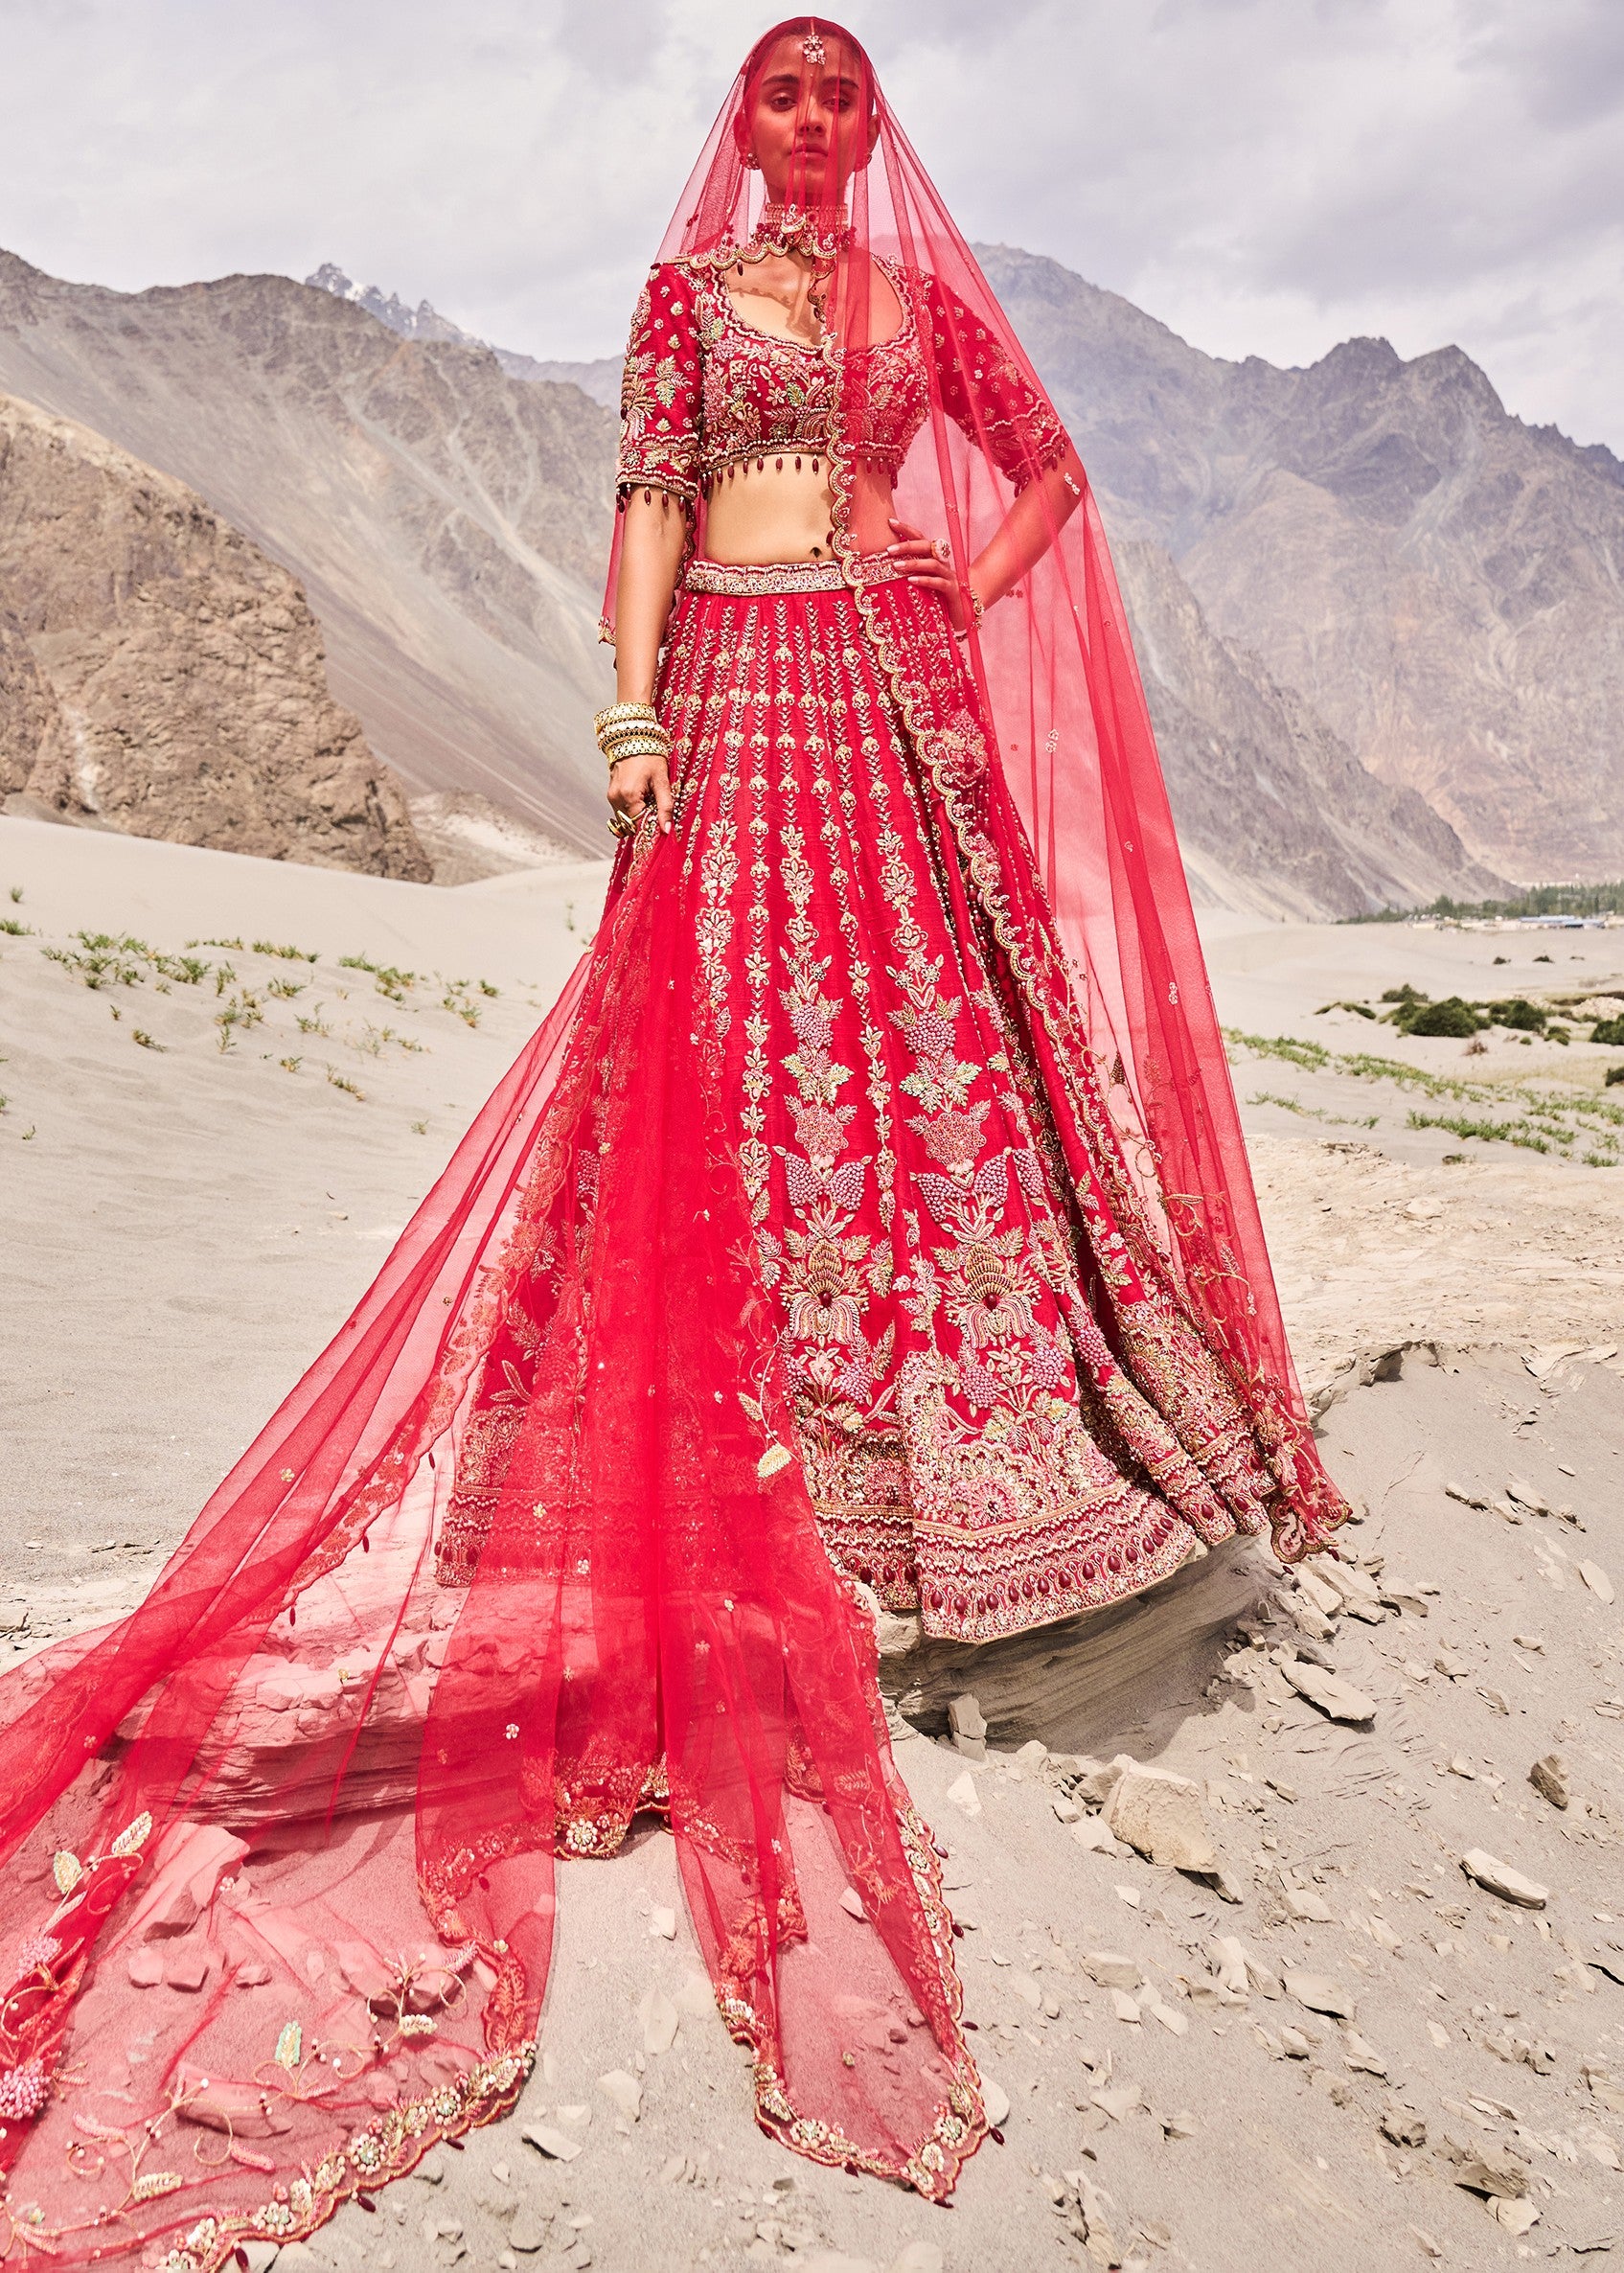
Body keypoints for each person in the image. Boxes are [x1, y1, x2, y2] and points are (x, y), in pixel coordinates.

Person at [0, 19, 1346, 2265]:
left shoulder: (917, 310)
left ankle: (969, 1527)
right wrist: (620, 706)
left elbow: (1047, 475)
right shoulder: (685, 305)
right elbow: (638, 505)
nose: (809, 125)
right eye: (778, 96)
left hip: (883, 685)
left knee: (933, 1086)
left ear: (870, 128)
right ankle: (751, 1509)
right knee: (712, 1086)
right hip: (728, 687)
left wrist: (954, 582)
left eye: (838, 96)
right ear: (743, 126)